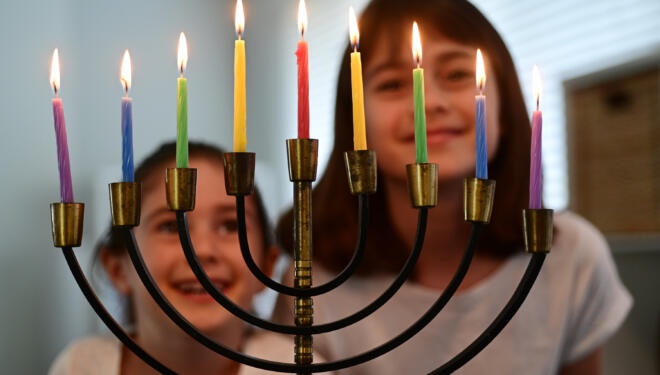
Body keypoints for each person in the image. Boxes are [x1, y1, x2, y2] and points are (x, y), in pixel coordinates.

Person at [274, 0, 632, 374]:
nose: (427, 103)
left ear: (505, 107)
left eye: (458, 75)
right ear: (355, 124)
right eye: (393, 83)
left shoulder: (570, 256)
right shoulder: (312, 280)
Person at [50, 142, 305, 375]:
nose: (203, 250)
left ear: (266, 265)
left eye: (230, 225)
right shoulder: (78, 366)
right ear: (118, 269)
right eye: (171, 227)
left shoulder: (298, 367)